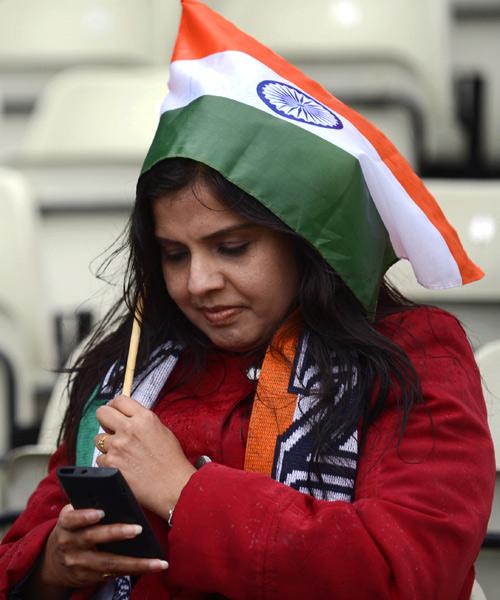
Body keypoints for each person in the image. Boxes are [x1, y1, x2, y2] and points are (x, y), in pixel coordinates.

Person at [0, 1, 495, 599]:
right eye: (174, 255)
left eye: (231, 247)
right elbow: (19, 557)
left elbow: (406, 572)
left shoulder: (415, 356)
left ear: (303, 240)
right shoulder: (128, 370)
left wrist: (185, 493)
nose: (198, 282)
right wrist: (54, 563)